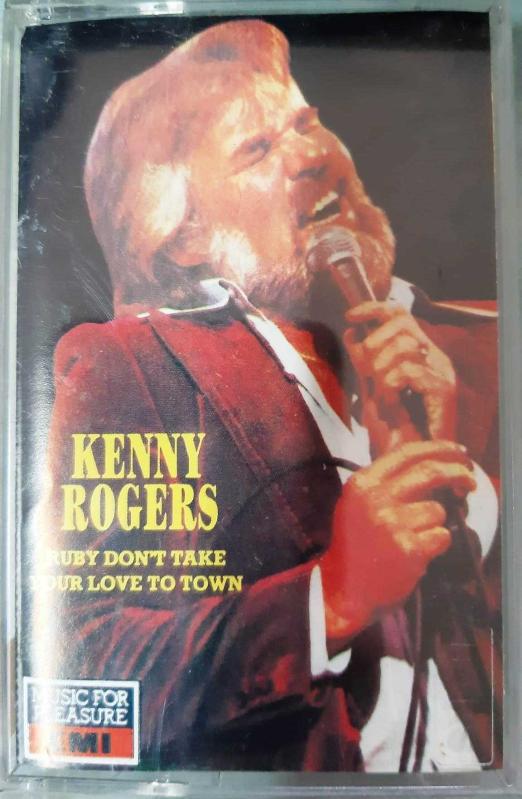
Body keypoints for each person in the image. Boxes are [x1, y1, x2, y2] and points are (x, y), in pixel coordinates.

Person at [33, 19, 501, 772]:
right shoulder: (137, 366)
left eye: (307, 123)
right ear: (184, 237)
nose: (314, 154)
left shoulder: (495, 344)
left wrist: (441, 471)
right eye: (257, 148)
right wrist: (330, 597)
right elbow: (86, 664)